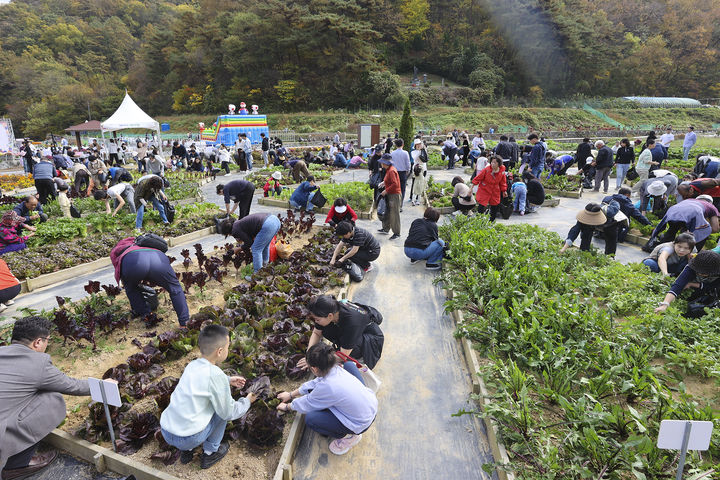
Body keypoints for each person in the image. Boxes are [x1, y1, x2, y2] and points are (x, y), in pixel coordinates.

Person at [0, 316, 94, 477]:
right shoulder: (38, 363)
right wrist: (105, 384)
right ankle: (17, 464)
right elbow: (72, 385)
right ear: (38, 342)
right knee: (51, 399)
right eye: (47, 340)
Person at [160, 325, 256, 468]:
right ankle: (210, 453)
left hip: (167, 431)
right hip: (189, 438)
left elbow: (203, 381)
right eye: (228, 347)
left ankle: (186, 453)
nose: (228, 351)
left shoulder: (192, 365)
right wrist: (246, 401)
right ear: (220, 351)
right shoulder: (216, 375)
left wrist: (228, 380)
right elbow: (229, 412)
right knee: (222, 412)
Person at [276, 342, 377, 456]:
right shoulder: (337, 368)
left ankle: (349, 436)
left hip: (360, 423)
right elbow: (316, 382)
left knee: (311, 419)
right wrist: (290, 395)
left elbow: (307, 403)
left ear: (314, 369)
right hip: (371, 404)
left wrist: (287, 406)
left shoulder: (327, 387)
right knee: (350, 366)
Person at [109, 236, 188, 324]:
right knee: (175, 288)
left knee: (131, 288)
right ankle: (184, 323)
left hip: (134, 261)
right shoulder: (143, 243)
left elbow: (119, 270)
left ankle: (147, 315)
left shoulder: (117, 251)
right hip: (158, 258)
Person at [300, 295, 384, 371]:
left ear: (330, 316)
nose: (315, 322)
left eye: (317, 319)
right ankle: (344, 346)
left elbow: (343, 356)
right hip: (353, 329)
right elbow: (316, 333)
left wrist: (315, 362)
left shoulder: (352, 323)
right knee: (326, 329)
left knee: (352, 349)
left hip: (369, 337)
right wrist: (308, 356)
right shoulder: (329, 310)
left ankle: (359, 356)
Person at [655, 250, 720, 317]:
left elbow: (712, 286)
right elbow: (678, 285)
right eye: (697, 271)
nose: (698, 273)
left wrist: (692, 284)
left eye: (702, 273)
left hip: (710, 287)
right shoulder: (692, 266)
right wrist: (665, 304)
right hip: (698, 285)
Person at [646, 197, 719, 251]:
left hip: (673, 210)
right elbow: (715, 228)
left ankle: (663, 250)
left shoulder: (689, 200)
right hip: (694, 212)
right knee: (703, 232)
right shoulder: (711, 206)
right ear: (710, 202)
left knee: (672, 230)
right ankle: (692, 255)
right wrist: (703, 229)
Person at [472, 155, 507, 222]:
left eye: (495, 163)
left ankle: (491, 221)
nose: (492, 164)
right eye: (492, 162)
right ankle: (479, 221)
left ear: (499, 164)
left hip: (495, 190)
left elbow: (503, 181)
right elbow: (478, 178)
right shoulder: (487, 170)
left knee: (495, 205)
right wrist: (471, 188)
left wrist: (504, 190)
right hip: (485, 189)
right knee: (481, 205)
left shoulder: (502, 170)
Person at [377, 154, 401, 239]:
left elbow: (395, 184)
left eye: (382, 162)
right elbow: (389, 180)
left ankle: (397, 233)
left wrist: (386, 191)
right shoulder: (388, 169)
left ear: (385, 163)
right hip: (390, 194)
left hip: (394, 194)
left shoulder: (391, 171)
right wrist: (383, 183)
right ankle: (385, 228)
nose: (381, 164)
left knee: (394, 214)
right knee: (387, 212)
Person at [390, 138, 411, 204]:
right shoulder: (405, 153)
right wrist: (408, 170)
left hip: (394, 172)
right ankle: (400, 204)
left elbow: (391, 163)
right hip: (402, 173)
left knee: (394, 188)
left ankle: (395, 203)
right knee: (402, 189)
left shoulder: (392, 153)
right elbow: (408, 163)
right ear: (403, 144)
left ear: (396, 145)